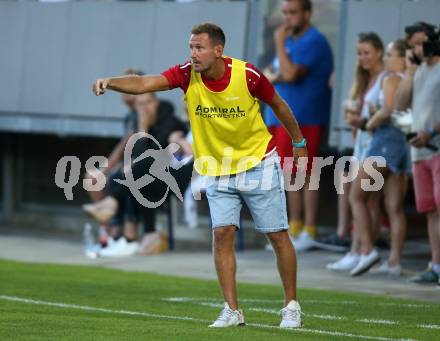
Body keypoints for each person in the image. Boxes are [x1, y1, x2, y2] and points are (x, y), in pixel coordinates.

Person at [91, 23, 307, 328]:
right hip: (216, 169)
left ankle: (291, 306)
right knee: (221, 234)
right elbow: (143, 84)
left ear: (218, 50)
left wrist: (298, 142)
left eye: (199, 48)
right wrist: (110, 81)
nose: (193, 54)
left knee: (277, 235)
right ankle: (232, 311)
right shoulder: (185, 74)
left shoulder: (248, 75)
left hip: (258, 163)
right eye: (191, 47)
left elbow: (279, 106)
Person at [263, 0, 333, 251]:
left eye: (292, 13)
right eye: (284, 13)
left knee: (306, 174)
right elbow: (269, 73)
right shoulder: (291, 41)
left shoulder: (314, 40)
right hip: (282, 120)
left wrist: (279, 44)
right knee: (289, 174)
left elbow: (289, 73)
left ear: (307, 13)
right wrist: (279, 70)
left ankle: (309, 230)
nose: (287, 18)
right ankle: (294, 227)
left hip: (305, 119)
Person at [85, 92, 191, 257]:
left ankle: (125, 228)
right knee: (133, 177)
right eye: (140, 104)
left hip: (182, 175)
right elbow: (136, 155)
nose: (145, 107)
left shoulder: (171, 123)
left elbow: (146, 158)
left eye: (148, 102)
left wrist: (143, 128)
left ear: (156, 103)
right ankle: (130, 235)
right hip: (159, 176)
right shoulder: (137, 121)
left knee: (141, 169)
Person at [327, 32, 385, 274]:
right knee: (363, 198)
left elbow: (386, 113)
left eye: (367, 52)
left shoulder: (386, 79)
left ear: (379, 52)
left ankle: (366, 250)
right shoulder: (363, 80)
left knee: (361, 198)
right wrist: (353, 119)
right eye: (359, 53)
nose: (362, 58)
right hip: (362, 146)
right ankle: (357, 249)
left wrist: (361, 119)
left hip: (377, 146)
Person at [395, 22, 440, 285]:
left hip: (436, 147)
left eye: (418, 43)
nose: (414, 49)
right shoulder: (419, 70)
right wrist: (410, 73)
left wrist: (431, 132)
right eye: (412, 44)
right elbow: (399, 106)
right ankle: (435, 265)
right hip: (420, 152)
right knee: (431, 210)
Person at [361, 39, 410, 277]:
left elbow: (388, 109)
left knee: (355, 195)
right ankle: (394, 261)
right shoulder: (409, 81)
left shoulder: (392, 79)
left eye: (391, 55)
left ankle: (366, 250)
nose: (387, 59)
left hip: (385, 141)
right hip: (401, 144)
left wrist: (370, 123)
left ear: (402, 58)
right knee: (394, 207)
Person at [84, 68, 142, 247]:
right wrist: (104, 170)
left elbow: (130, 143)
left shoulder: (147, 111)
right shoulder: (129, 117)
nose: (123, 91)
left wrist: (107, 169)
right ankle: (108, 227)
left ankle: (118, 230)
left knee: (120, 176)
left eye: (127, 84)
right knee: (93, 179)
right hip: (128, 165)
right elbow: (124, 145)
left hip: (144, 167)